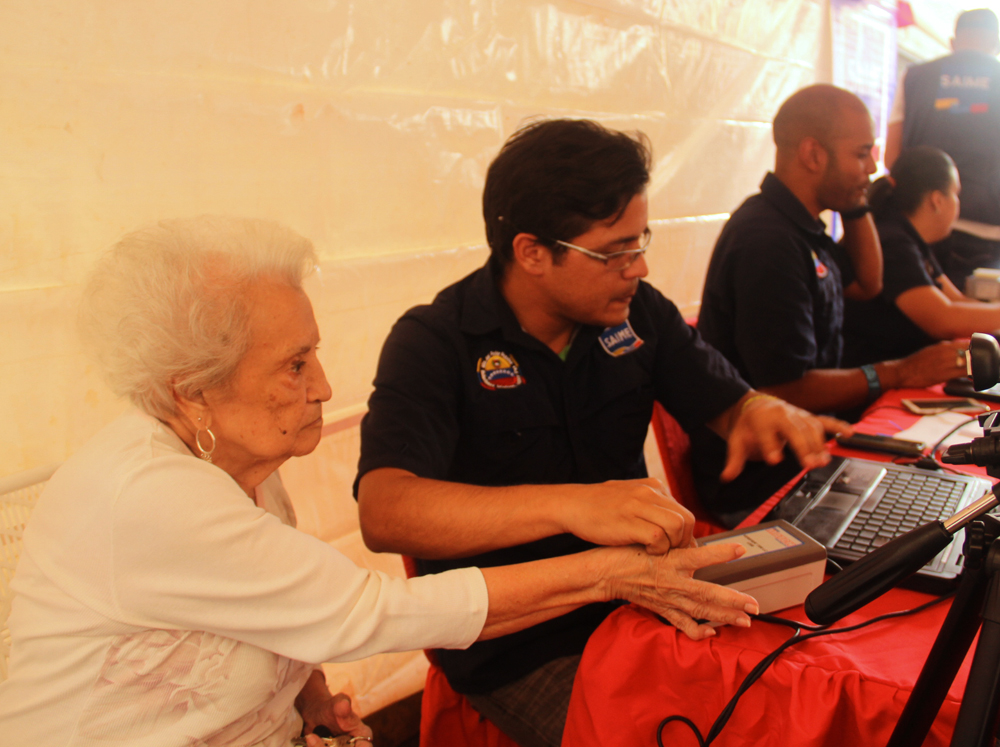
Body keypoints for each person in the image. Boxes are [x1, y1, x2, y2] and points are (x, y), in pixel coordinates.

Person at [0, 217, 762, 747]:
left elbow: (280, 612)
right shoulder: (152, 497)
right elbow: (371, 611)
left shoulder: (242, 469)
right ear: (191, 389)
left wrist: (305, 698)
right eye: (295, 365)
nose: (326, 386)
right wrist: (610, 573)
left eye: (314, 353)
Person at [355, 119, 848, 747]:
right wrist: (575, 503)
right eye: (615, 251)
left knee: (806, 693)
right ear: (533, 252)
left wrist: (757, 410)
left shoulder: (637, 313)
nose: (638, 267)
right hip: (521, 643)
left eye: (641, 240)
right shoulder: (434, 342)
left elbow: (727, 402)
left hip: (651, 599)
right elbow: (386, 509)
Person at [695, 84, 968, 526]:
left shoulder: (803, 229)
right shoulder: (768, 241)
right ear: (813, 154)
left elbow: (867, 282)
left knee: (941, 497)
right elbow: (783, 389)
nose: (874, 167)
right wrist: (902, 372)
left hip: (809, 460)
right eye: (862, 154)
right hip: (764, 485)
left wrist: (857, 203)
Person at [844, 146, 1000, 366]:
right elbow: (944, 319)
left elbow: (958, 301)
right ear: (937, 200)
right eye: (955, 194)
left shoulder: (911, 239)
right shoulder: (892, 242)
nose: (958, 204)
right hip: (868, 378)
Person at [885, 8, 1000, 289]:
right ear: (995, 42)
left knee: (923, 318)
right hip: (987, 227)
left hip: (919, 225)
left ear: (953, 42)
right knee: (978, 323)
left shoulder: (914, 76)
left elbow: (891, 156)